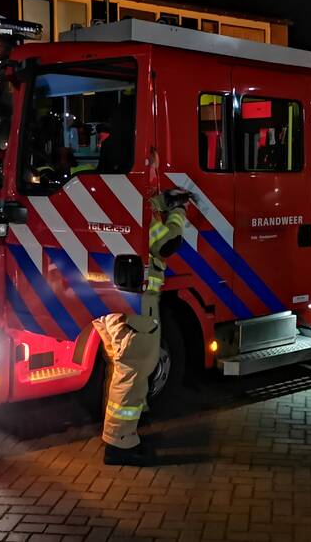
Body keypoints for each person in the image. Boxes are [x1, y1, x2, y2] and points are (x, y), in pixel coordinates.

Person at [93, 186, 193, 466]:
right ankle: (119, 444)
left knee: (122, 365)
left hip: (110, 299)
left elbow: (145, 204)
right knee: (135, 365)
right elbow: (165, 244)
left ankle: (122, 431)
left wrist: (162, 201)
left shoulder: (108, 196)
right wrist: (177, 212)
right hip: (134, 301)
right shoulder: (131, 205)